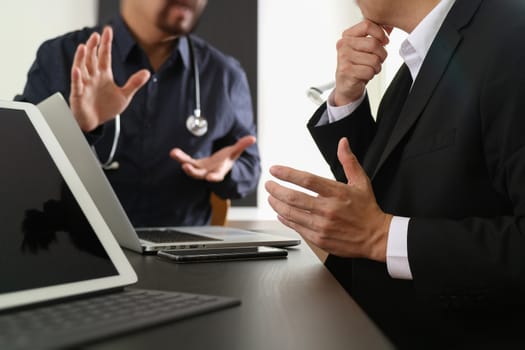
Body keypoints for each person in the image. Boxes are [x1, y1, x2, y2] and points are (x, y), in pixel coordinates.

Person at [265, 0, 525, 347]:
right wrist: (346, 98)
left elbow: (376, 224)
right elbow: (388, 183)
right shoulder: (422, 60)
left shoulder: (513, 37)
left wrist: (380, 237)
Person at [16, 0, 260, 227]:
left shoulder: (224, 75)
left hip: (187, 258)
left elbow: (249, 169)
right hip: (83, 253)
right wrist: (76, 128)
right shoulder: (60, 57)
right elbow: (20, 172)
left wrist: (226, 170)